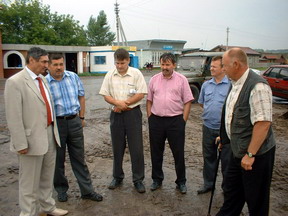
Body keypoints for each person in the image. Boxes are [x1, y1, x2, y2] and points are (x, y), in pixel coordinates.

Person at [4, 47, 68, 216]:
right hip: (30, 140)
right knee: (29, 183)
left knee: (47, 178)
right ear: (32, 60)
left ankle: (47, 207)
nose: (47, 65)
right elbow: (13, 116)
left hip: (49, 134)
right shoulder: (15, 82)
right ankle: (28, 213)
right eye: (44, 62)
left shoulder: (42, 80)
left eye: (47, 62)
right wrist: (20, 143)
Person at [216, 48, 276, 216]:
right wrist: (226, 138)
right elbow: (232, 114)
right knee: (232, 196)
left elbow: (263, 123)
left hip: (255, 156)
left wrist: (250, 154)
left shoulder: (257, 86)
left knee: (256, 201)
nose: (223, 69)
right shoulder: (235, 83)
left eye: (225, 65)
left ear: (236, 64)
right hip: (237, 152)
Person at [46, 53, 103, 202]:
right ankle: (61, 189)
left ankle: (87, 191)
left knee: (79, 158)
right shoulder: (44, 82)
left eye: (61, 64)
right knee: (58, 160)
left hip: (74, 121)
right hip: (56, 125)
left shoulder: (73, 77)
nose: (59, 68)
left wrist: (82, 117)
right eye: (55, 65)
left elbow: (81, 96)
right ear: (49, 66)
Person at [99, 48, 147, 193]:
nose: (119, 66)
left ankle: (138, 179)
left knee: (136, 148)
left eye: (122, 63)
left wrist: (123, 104)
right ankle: (117, 177)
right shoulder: (109, 75)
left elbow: (141, 93)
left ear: (128, 61)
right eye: (117, 63)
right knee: (117, 147)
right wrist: (117, 104)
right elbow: (105, 95)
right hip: (116, 114)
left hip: (133, 114)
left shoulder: (136, 74)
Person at [146, 52, 193, 194]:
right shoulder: (154, 79)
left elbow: (188, 101)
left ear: (174, 65)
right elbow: (149, 100)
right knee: (156, 152)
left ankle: (181, 182)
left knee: (178, 153)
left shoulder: (182, 80)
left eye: (167, 64)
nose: (164, 67)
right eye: (162, 64)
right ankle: (157, 179)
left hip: (175, 121)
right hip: (157, 121)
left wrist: (183, 121)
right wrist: (150, 117)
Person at [197, 56, 231, 194]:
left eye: (214, 67)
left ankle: (227, 188)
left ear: (223, 68)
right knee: (209, 157)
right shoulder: (206, 85)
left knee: (227, 160)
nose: (211, 68)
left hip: (224, 130)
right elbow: (201, 103)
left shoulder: (231, 85)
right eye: (211, 66)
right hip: (208, 127)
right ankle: (209, 184)